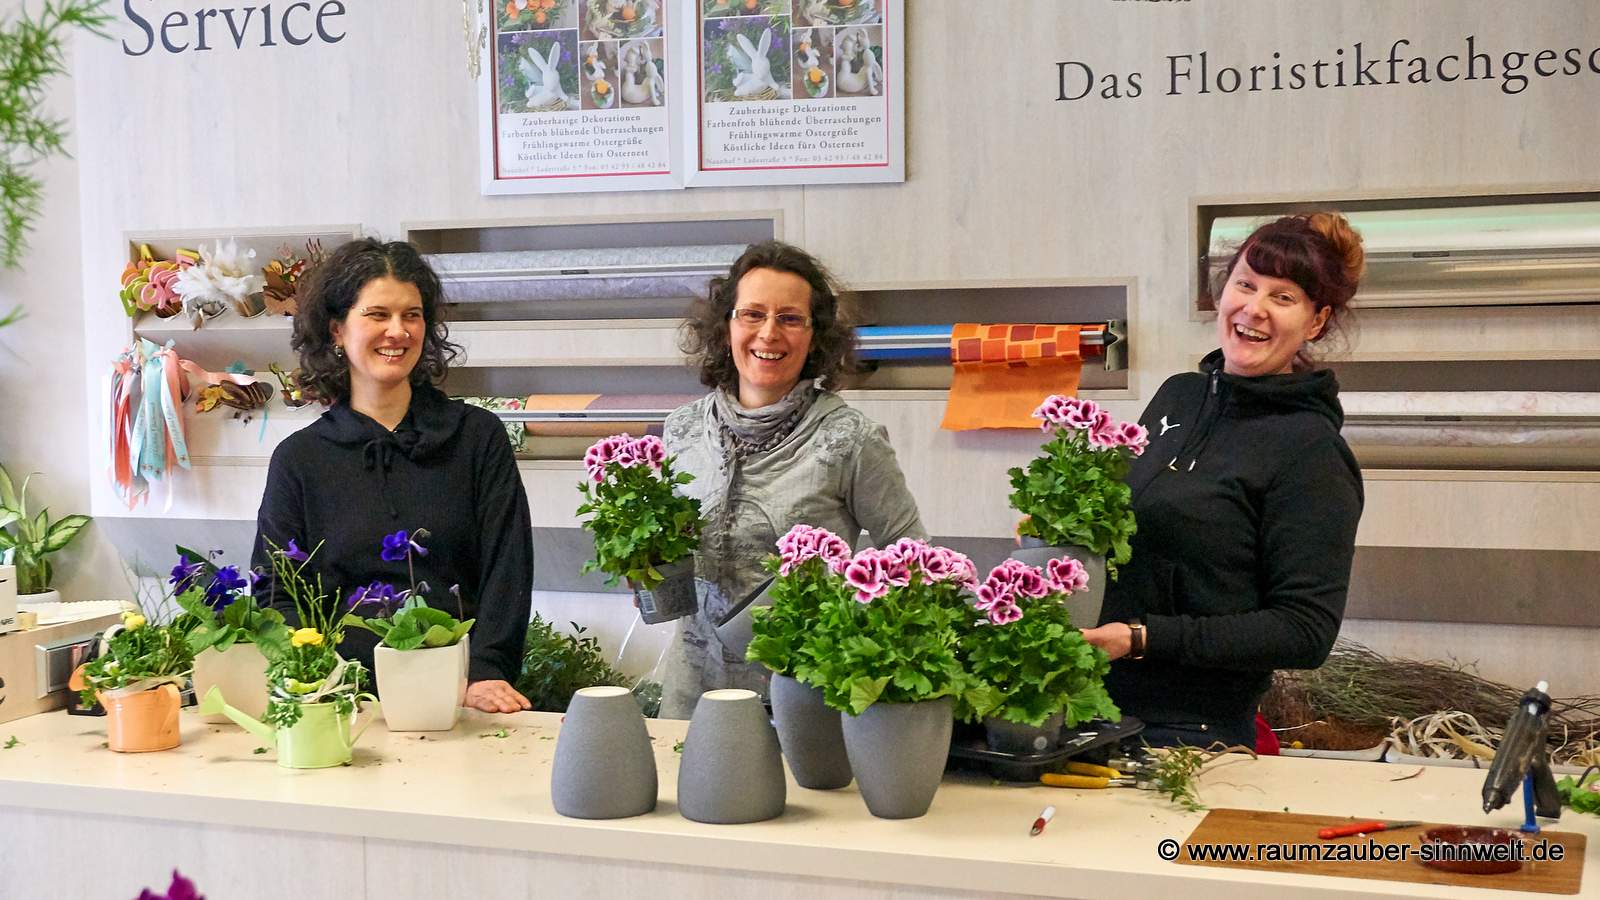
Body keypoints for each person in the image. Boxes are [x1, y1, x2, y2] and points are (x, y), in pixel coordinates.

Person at [1082, 213, 1366, 749]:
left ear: (1316, 321)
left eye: (1283, 298)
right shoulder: (1179, 397)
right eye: (1246, 284)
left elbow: (1305, 630)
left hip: (1190, 735)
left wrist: (1142, 639)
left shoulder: (1311, 452)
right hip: (1091, 708)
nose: (1254, 308)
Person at [251, 238, 534, 713]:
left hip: (460, 697)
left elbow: (508, 569)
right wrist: (315, 676)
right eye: (378, 315)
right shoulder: (299, 459)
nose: (398, 331)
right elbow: (276, 590)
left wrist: (486, 672)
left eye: (413, 315)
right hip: (342, 698)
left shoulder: (477, 438)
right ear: (337, 330)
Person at [657, 241, 926, 719]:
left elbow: (915, 562)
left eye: (790, 318)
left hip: (801, 705)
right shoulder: (681, 430)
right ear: (726, 327)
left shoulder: (850, 440)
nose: (768, 333)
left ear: (815, 335)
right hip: (691, 699)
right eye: (752, 314)